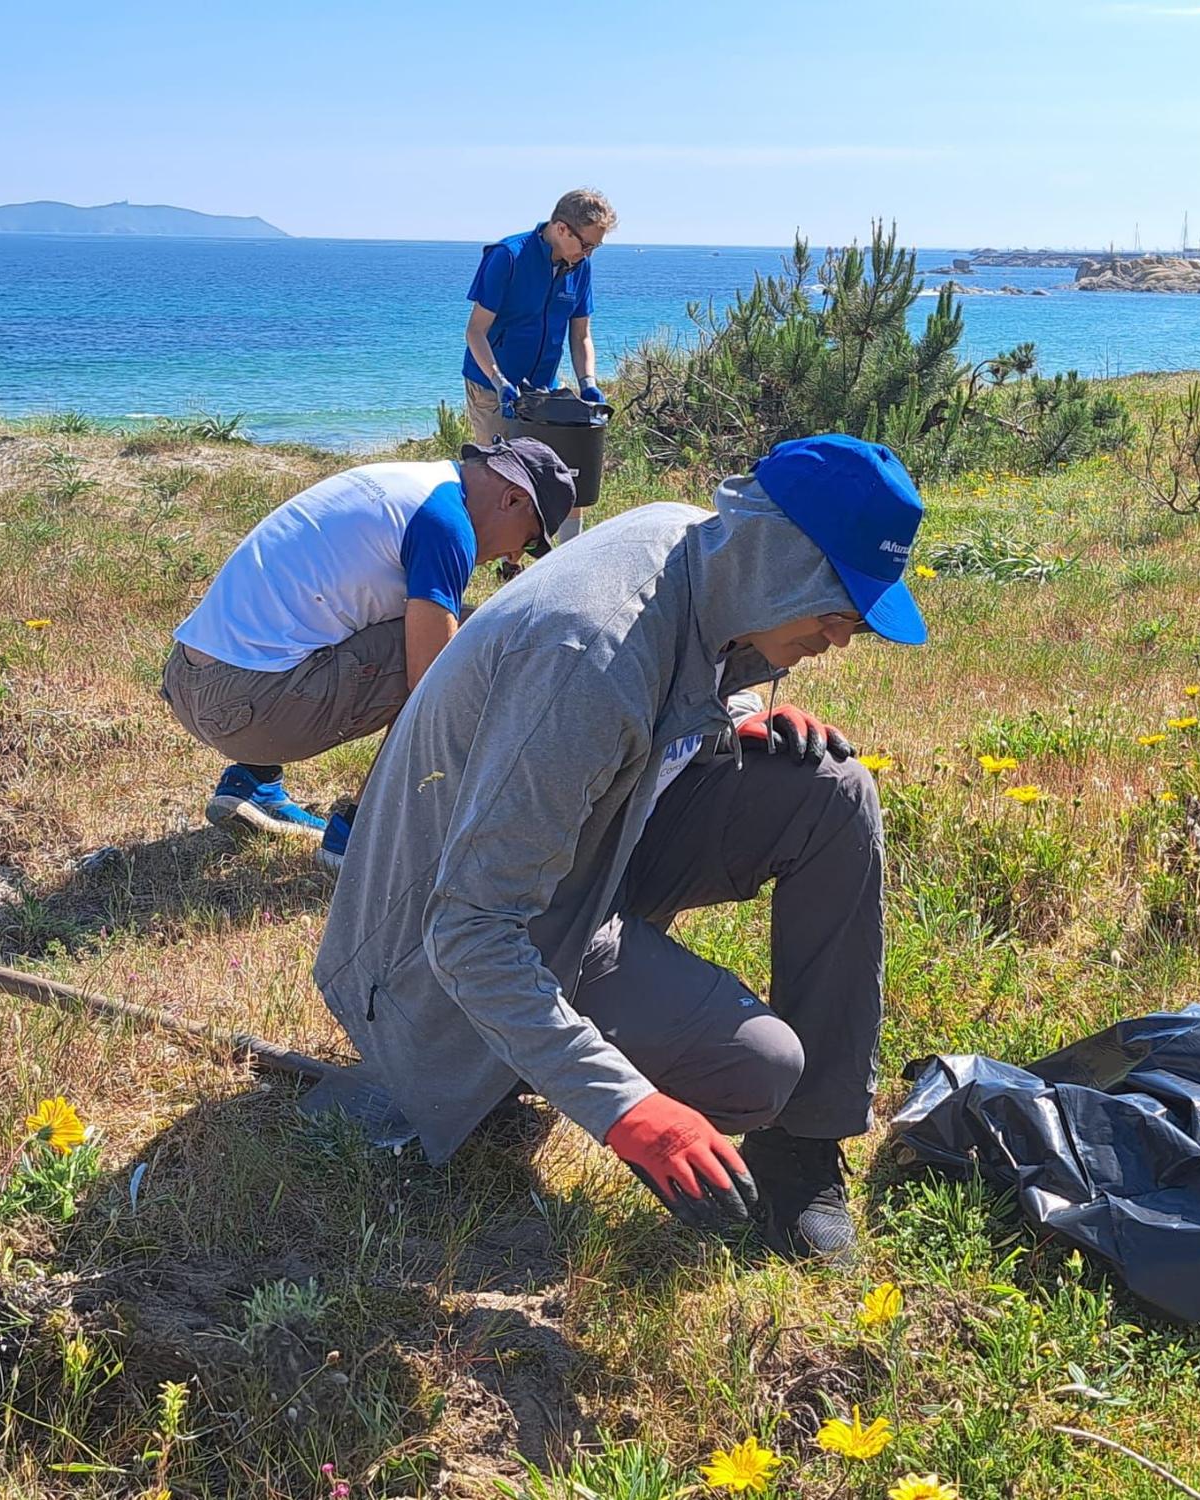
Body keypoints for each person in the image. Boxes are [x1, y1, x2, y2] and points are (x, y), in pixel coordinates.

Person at [313, 434, 928, 1261]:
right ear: (777, 562)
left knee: (831, 793)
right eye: (841, 606)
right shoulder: (588, 658)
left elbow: (664, 677)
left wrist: (724, 709)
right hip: (425, 959)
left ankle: (802, 1153)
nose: (843, 636)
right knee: (757, 1069)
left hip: (575, 868)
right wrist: (630, 1112)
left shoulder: (697, 548)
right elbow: (469, 929)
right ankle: (519, 1071)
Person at [162, 440, 577, 871]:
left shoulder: (410, 482)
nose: (512, 558)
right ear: (513, 498)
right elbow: (432, 682)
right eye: (527, 542)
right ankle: (365, 834)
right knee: (467, 645)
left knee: (392, 621)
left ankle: (254, 781)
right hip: (244, 705)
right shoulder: (446, 526)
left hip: (190, 680)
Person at [462, 188, 615, 447]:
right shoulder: (507, 256)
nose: (589, 254)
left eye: (595, 247)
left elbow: (581, 335)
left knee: (540, 472)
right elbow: (475, 332)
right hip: (492, 387)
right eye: (586, 245)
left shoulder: (581, 268)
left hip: (543, 391)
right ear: (561, 229)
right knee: (498, 473)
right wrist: (500, 383)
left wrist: (588, 382)